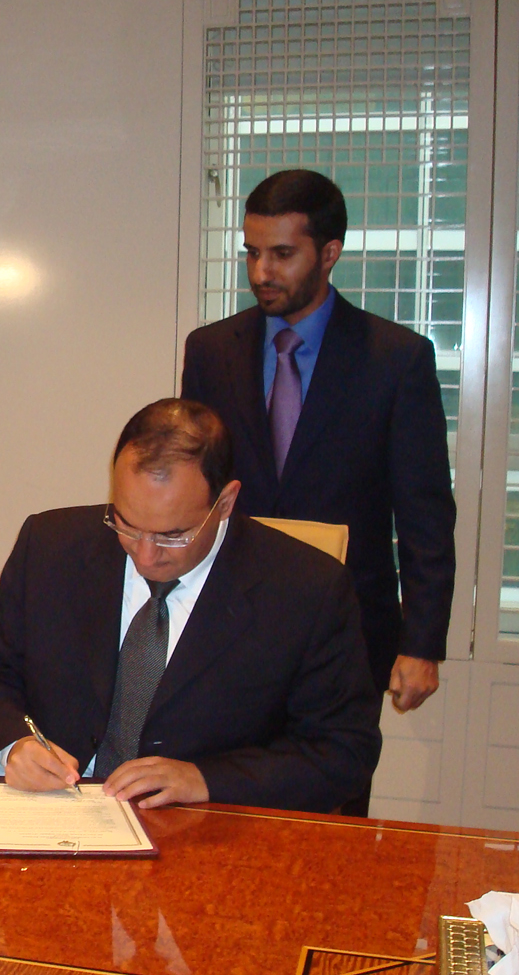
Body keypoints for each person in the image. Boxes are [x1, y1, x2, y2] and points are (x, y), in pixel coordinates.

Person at [0, 399, 381, 815]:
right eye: (125, 523)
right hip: (55, 823)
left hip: (207, 841)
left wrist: (207, 780)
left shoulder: (306, 589)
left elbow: (343, 752)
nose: (144, 556)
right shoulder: (51, 545)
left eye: (172, 535)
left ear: (226, 504)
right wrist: (15, 746)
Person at [180, 169, 456, 725]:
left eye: (282, 254)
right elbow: (195, 489)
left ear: (329, 253)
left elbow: (425, 513)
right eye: (252, 253)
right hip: (229, 626)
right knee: (221, 801)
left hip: (346, 631)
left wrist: (422, 643)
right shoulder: (212, 350)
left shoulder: (395, 359)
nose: (262, 272)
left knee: (332, 803)